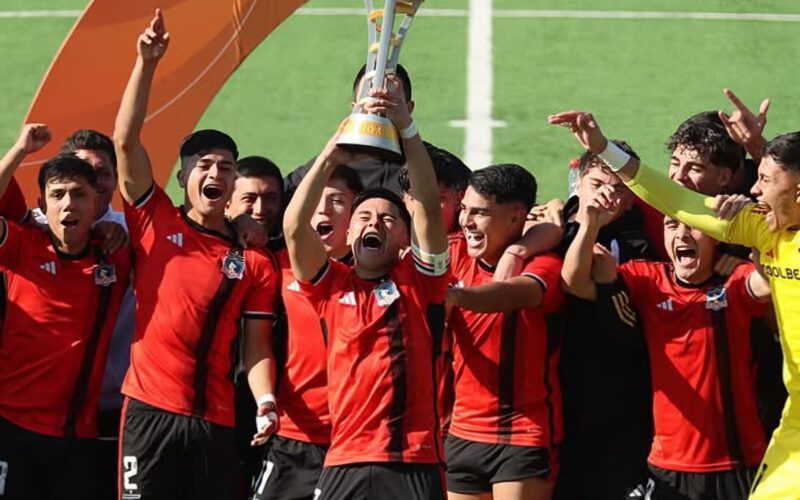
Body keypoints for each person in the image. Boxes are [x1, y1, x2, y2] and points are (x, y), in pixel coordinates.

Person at [548, 109, 800, 499]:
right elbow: (676, 200)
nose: (755, 191)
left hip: (742, 452)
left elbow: (760, 285)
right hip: (778, 431)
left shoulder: (739, 272)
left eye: (764, 181)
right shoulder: (756, 232)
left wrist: (755, 149)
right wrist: (602, 150)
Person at [114, 11, 279, 498]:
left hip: (216, 419)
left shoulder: (254, 258)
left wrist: (266, 399)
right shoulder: (154, 220)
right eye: (204, 165)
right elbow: (125, 141)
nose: (216, 173)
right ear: (184, 178)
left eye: (226, 167)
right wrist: (145, 63)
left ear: (233, 183)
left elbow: (256, 347)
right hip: (148, 411)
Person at [283, 77, 448, 500]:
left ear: (402, 240)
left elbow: (428, 207)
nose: (374, 222)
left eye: (388, 218)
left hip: (413, 460)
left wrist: (406, 127)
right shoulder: (330, 284)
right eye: (363, 216)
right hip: (345, 459)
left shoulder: (418, 280)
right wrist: (329, 155)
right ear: (348, 233)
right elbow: (293, 227)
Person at [0, 124, 131, 500]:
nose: (69, 204)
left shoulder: (118, 252)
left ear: (98, 201)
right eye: (57, 195)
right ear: (42, 204)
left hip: (79, 436)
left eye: (78, 194)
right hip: (12, 427)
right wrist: (19, 149)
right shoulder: (22, 245)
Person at [444, 164, 564, 500]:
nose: (466, 221)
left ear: (516, 218)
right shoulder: (452, 253)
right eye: (464, 210)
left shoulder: (544, 263)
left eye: (480, 213)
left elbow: (514, 294)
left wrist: (455, 296)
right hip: (462, 432)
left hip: (523, 434)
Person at [250, 165, 362, 500]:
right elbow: (256, 343)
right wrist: (266, 400)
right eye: (314, 201)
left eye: (338, 200)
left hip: (356, 443)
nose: (324, 210)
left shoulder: (381, 273)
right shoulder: (273, 264)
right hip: (293, 435)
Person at [552, 143, 654, 500]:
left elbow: (578, 284)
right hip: (560, 397)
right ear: (577, 183)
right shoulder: (551, 232)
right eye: (597, 184)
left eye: (619, 189)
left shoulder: (641, 245)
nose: (607, 195)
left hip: (622, 400)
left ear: (631, 199)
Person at [398, 142, 471, 235]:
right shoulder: (392, 240)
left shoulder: (471, 245)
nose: (425, 208)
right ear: (403, 200)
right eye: (416, 198)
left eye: (438, 199)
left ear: (459, 200)